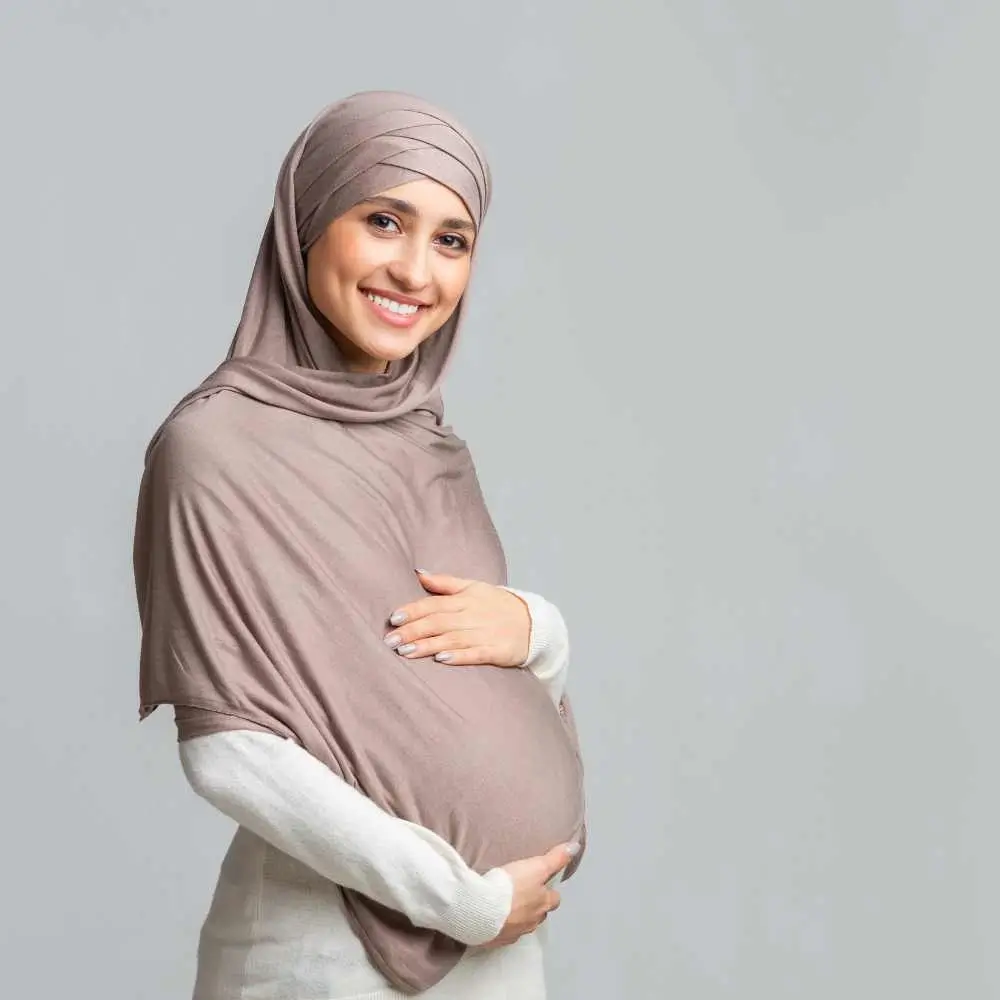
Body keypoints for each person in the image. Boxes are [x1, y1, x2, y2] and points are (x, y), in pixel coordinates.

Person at [133, 91, 587, 1000]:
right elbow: (228, 747)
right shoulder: (216, 445)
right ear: (308, 223)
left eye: (452, 240)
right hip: (323, 956)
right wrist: (458, 899)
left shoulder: (429, 440)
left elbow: (454, 666)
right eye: (384, 220)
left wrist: (540, 629)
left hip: (502, 946)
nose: (417, 271)